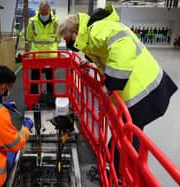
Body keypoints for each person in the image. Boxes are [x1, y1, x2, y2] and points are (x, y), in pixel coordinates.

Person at [59, 4, 177, 176]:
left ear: (75, 34)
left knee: (126, 135)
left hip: (144, 92)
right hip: (148, 89)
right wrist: (91, 61)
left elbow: (122, 48)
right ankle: (113, 169)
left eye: (67, 39)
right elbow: (106, 54)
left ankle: (118, 173)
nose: (68, 44)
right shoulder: (94, 31)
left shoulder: (96, 31)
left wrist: (111, 84)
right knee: (125, 133)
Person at [26, 0, 60, 94]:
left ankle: (50, 97)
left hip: (50, 56)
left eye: (46, 12)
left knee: (50, 80)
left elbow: (58, 38)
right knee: (35, 79)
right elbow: (29, 37)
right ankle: (34, 98)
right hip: (36, 56)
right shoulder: (32, 22)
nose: (44, 14)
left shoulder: (56, 22)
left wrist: (52, 48)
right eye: (42, 12)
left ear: (49, 10)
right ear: (39, 10)